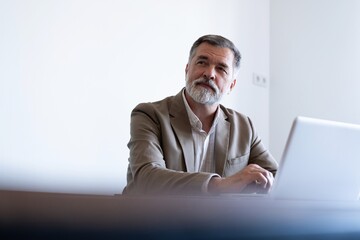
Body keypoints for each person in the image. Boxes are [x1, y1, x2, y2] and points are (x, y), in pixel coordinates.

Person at [123, 34, 278, 195]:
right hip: (153, 218)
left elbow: (276, 177)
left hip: (217, 220)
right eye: (202, 62)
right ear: (187, 69)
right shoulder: (149, 115)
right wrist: (221, 184)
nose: (209, 73)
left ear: (231, 85)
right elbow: (147, 178)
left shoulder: (244, 126)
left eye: (221, 68)